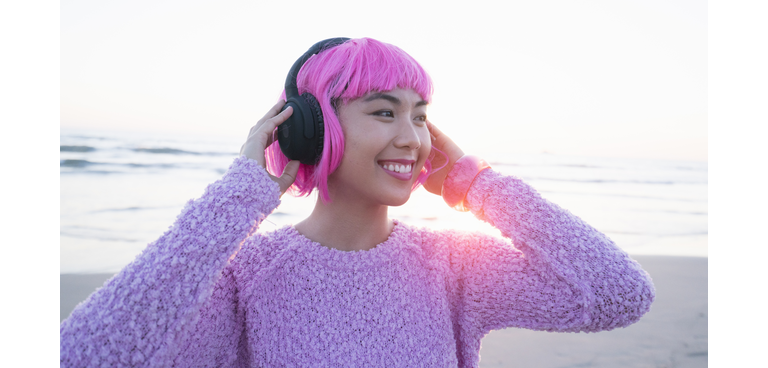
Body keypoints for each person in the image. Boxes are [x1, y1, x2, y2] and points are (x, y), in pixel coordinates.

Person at [60, 37, 655, 367]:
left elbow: (618, 295)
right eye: (382, 111)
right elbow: (89, 356)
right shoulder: (247, 278)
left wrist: (476, 184)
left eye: (421, 117)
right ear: (315, 129)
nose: (413, 138)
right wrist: (241, 197)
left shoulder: (454, 267)